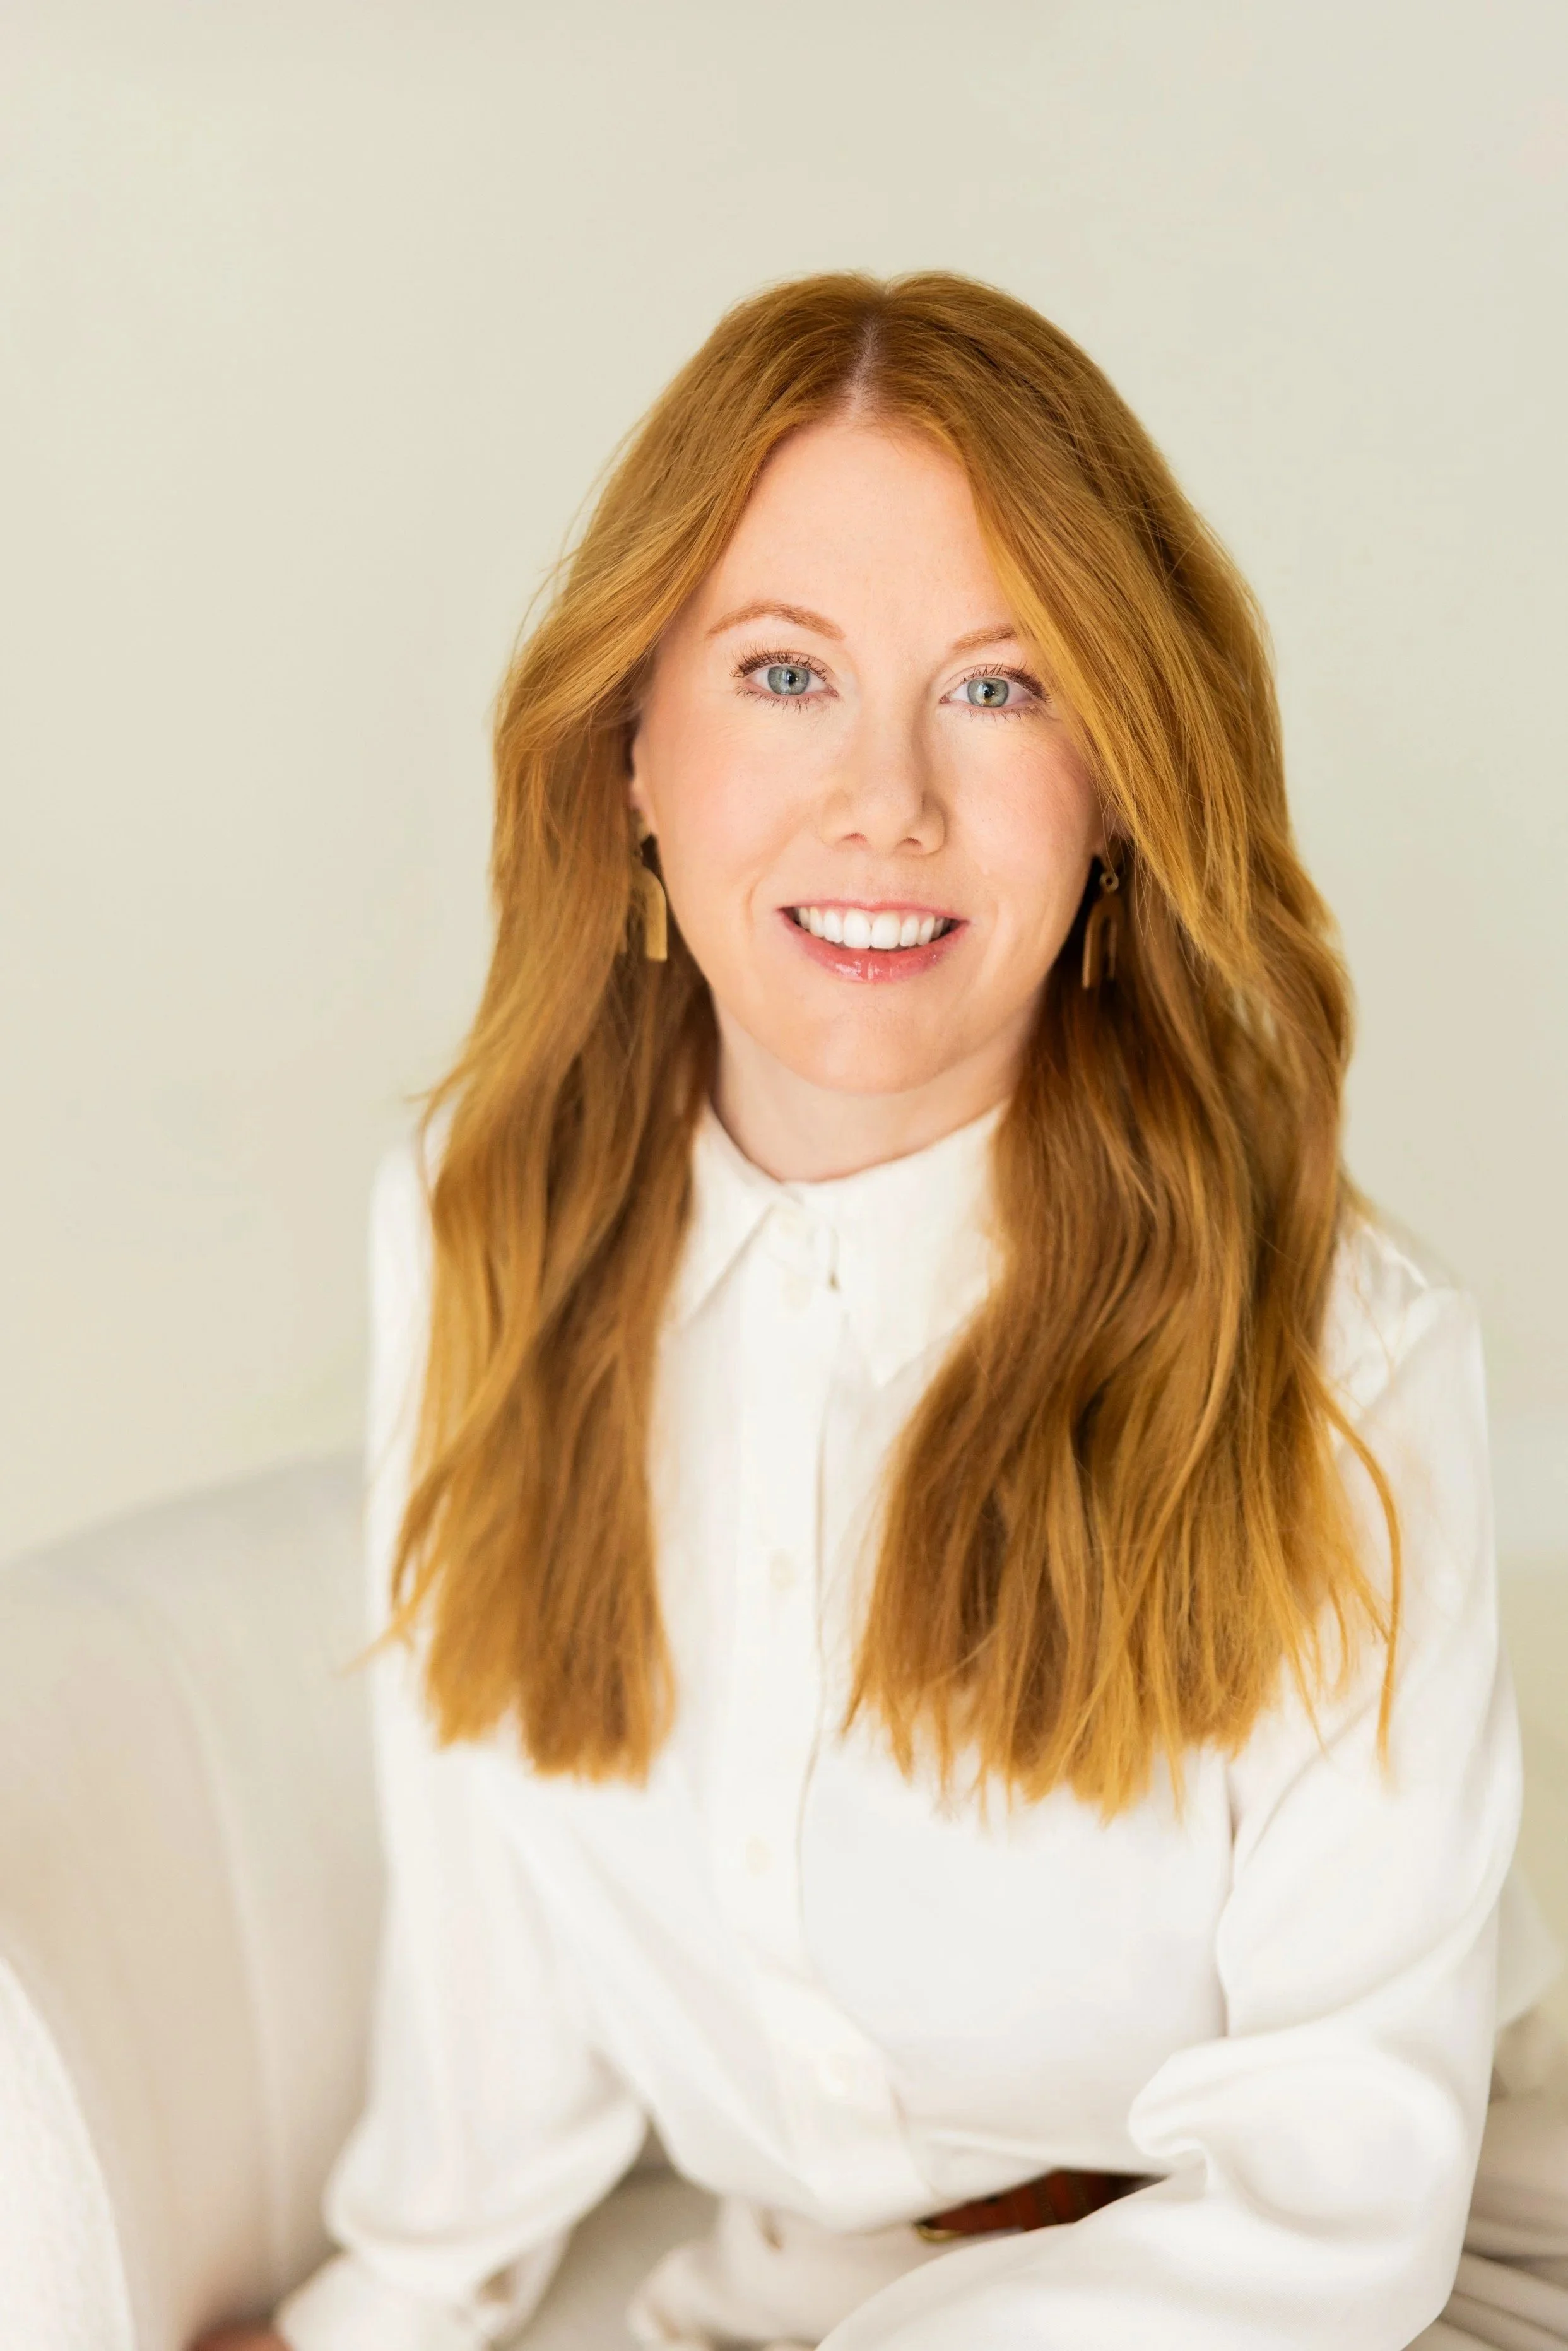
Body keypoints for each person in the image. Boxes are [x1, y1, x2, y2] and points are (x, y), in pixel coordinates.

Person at [196, 271, 1562, 2351]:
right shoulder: (483, 1223)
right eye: (783, 672)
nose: (886, 800)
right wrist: (380, 2308)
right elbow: (495, 1927)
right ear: (631, 746)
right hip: (813, 2289)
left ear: (1117, 789)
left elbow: (1330, 2202)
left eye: (999, 689)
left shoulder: (1338, 1359)